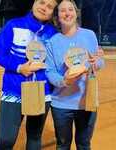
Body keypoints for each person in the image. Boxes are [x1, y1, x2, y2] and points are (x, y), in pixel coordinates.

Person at [0, 0, 61, 149]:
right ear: (34, 2)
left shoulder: (53, 34)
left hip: (42, 92)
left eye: (49, 7)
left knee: (35, 137)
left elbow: (58, 62)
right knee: (6, 140)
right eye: (42, 2)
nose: (44, 8)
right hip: (14, 91)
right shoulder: (13, 25)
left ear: (52, 12)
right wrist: (19, 67)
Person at [45, 0, 105, 149]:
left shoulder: (89, 35)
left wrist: (95, 62)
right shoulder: (52, 42)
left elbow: (99, 63)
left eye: (70, 9)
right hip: (61, 104)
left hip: (87, 101)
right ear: (57, 17)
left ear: (76, 13)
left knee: (84, 144)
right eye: (62, 11)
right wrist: (64, 81)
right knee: (63, 145)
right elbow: (50, 71)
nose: (67, 13)